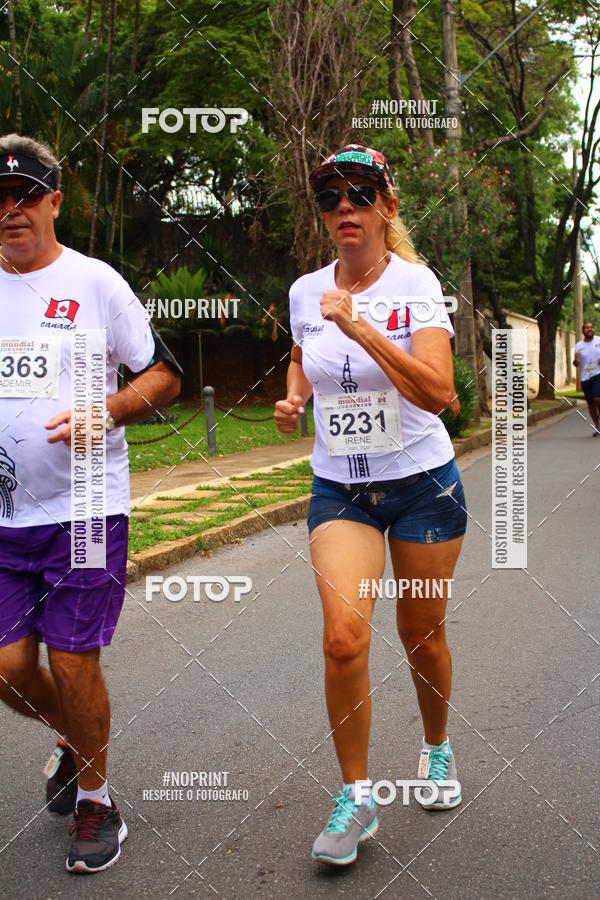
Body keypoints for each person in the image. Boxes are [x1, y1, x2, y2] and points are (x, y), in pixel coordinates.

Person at [275, 144, 467, 866]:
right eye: (329, 197)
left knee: (421, 634)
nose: (344, 207)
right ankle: (357, 797)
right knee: (344, 637)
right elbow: (303, 350)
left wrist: (360, 327)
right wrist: (297, 393)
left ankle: (437, 746)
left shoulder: (417, 285)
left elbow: (439, 394)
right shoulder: (304, 291)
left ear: (387, 204)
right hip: (343, 487)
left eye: (358, 193)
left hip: (424, 483)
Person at [0, 134, 181, 873]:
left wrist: (107, 409)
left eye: (24, 194)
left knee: (74, 665)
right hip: (6, 518)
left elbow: (163, 376)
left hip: (84, 510)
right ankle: (76, 741)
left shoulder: (96, 283)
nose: (10, 210)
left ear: (54, 201)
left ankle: (97, 800)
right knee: (9, 665)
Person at [573, 320, 600, 435]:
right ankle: (597, 426)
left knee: (597, 399)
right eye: (587, 328)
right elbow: (576, 364)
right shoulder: (579, 346)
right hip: (585, 378)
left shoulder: (599, 340)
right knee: (591, 403)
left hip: (598, 374)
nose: (590, 329)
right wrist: (576, 359)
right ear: (583, 331)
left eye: (591, 327)